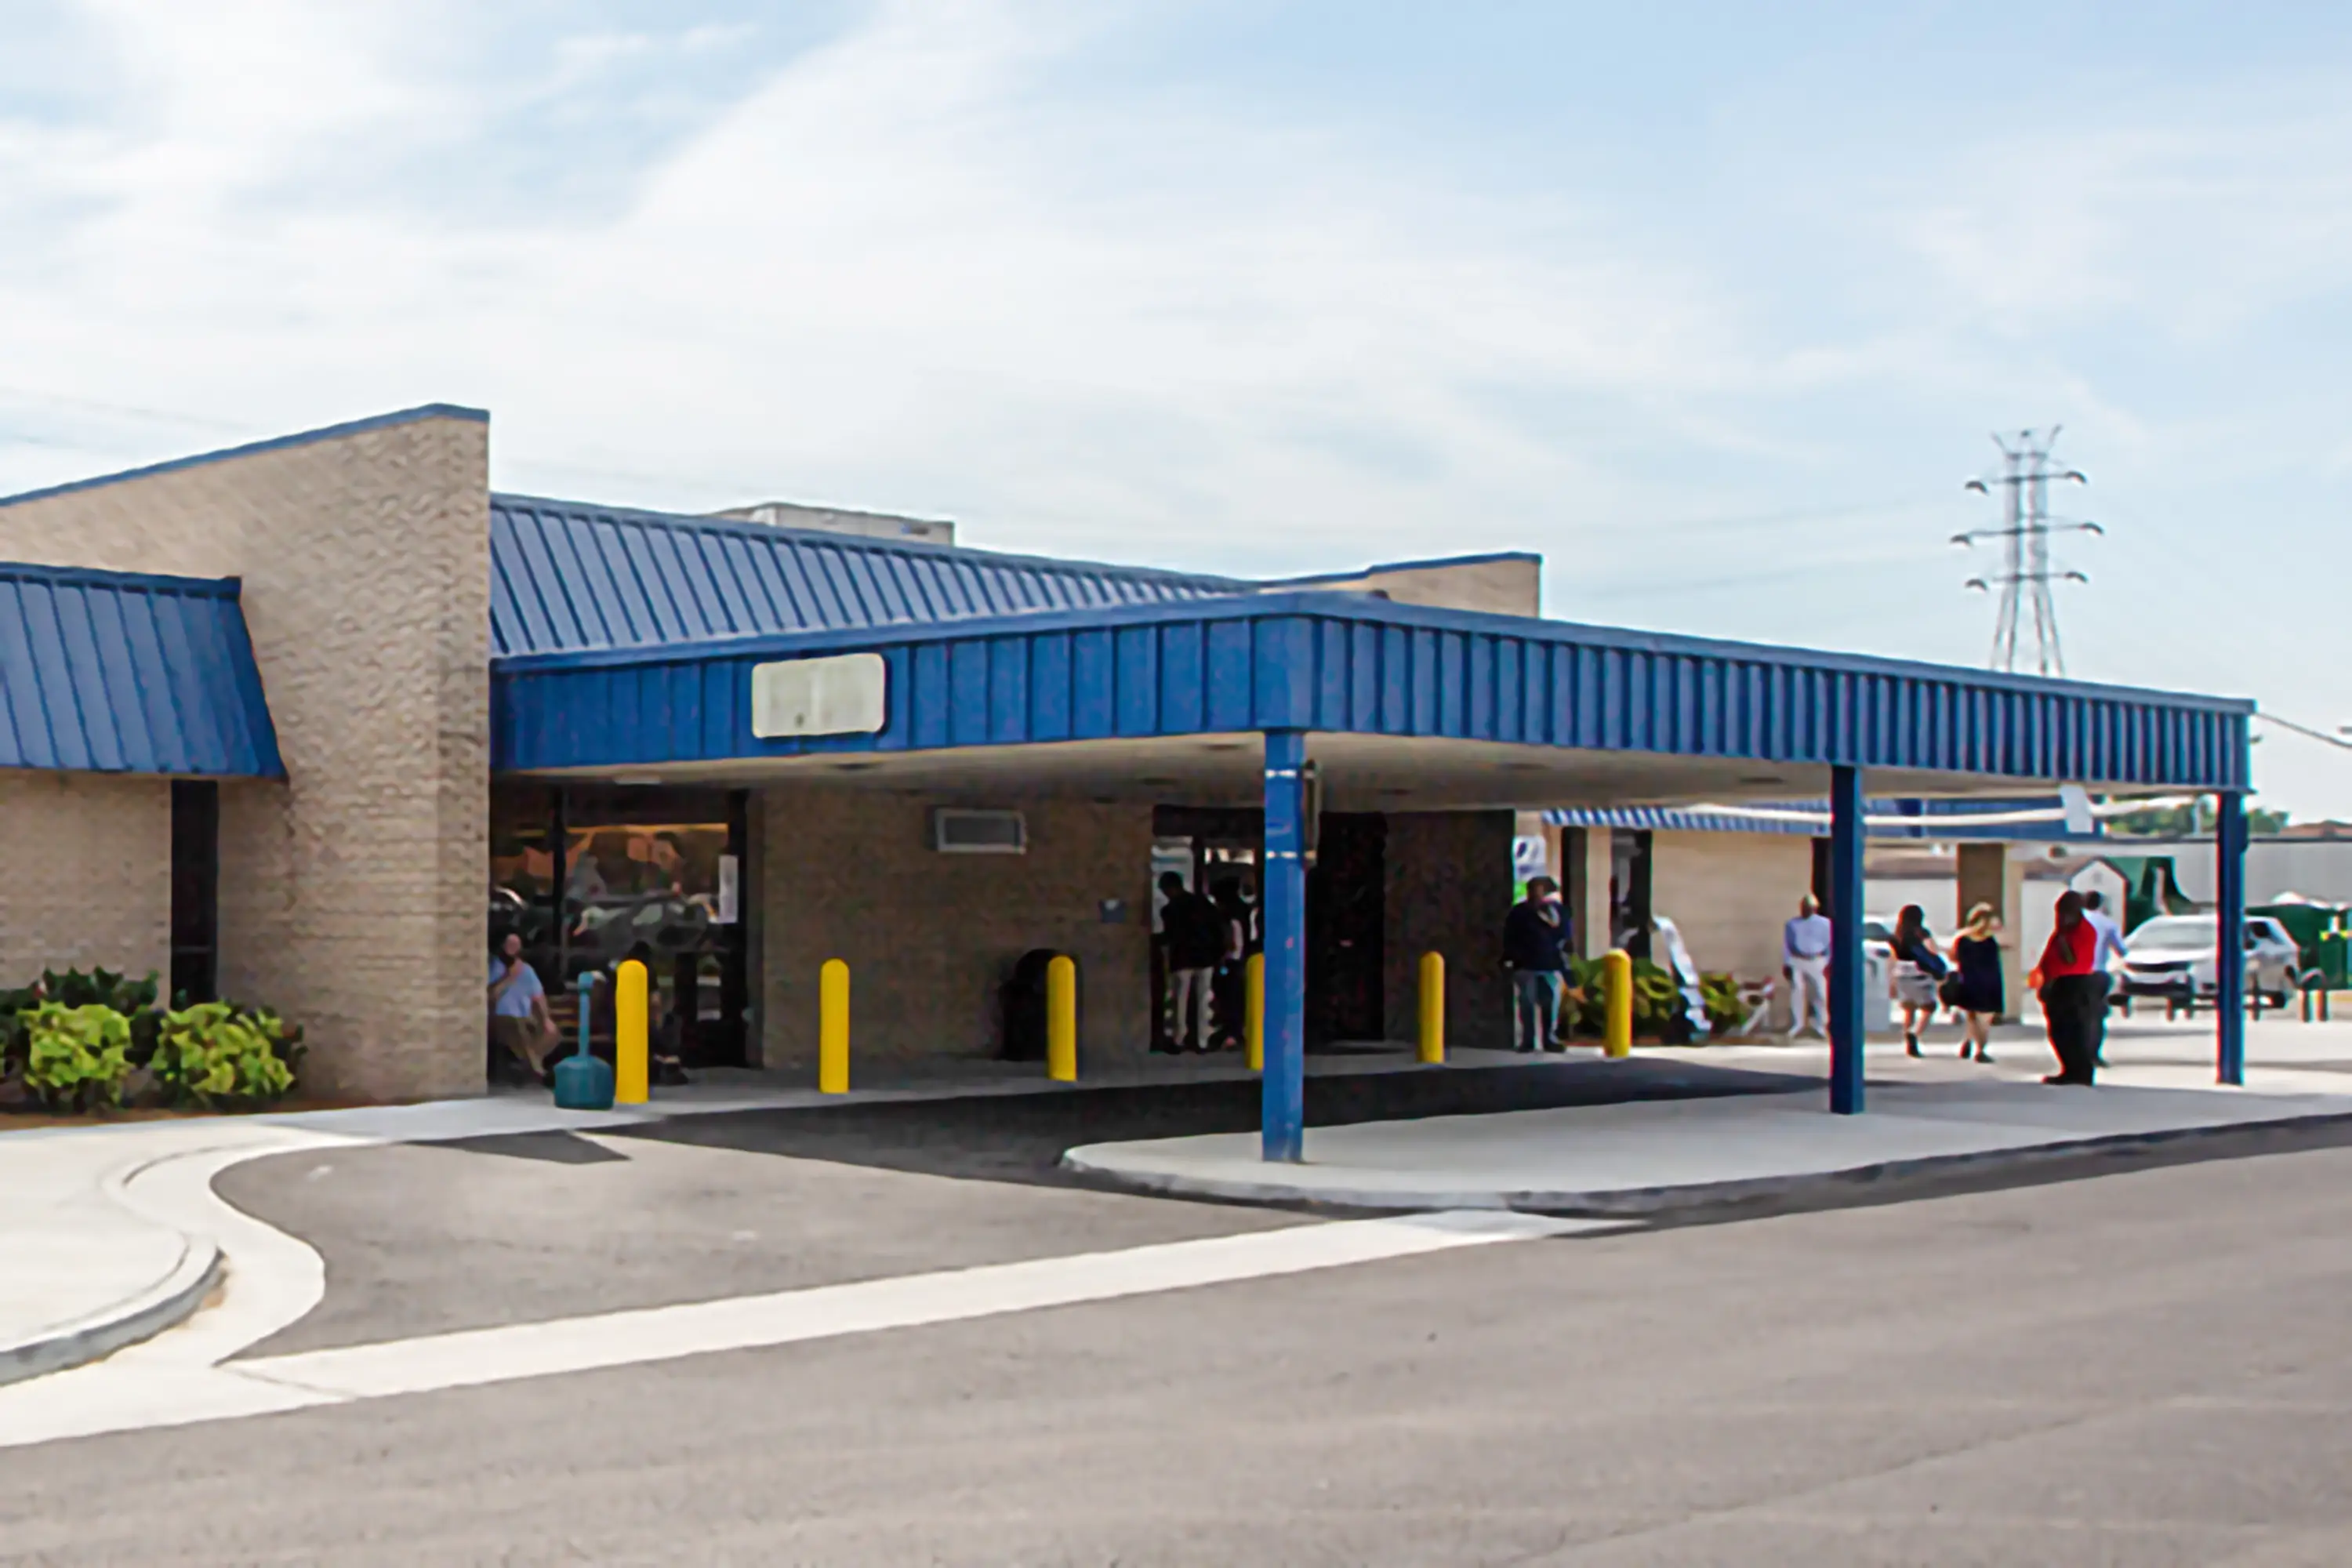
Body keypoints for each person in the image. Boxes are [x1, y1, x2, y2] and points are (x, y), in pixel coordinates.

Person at [2034, 891, 2103, 1085]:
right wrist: (2044, 980)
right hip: (2057, 985)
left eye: (2064, 913)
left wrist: (2063, 939)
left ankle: (2080, 1071)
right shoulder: (2062, 932)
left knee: (2074, 1030)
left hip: (2075, 983)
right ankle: (2069, 1068)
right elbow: (2049, 958)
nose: (2060, 918)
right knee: (2058, 1031)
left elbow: (2072, 960)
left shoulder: (2084, 931)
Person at [1502, 876, 1573, 1051]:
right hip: (1526, 965)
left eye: (1541, 890)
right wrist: (1511, 958)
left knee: (1550, 1004)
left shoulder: (1557, 911)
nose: (1536, 894)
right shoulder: (1520, 912)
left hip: (1550, 965)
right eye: (1533, 890)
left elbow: (1565, 936)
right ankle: (1528, 1040)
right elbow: (1510, 936)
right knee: (1527, 1003)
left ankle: (1549, 1038)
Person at [1157, 872, 1225, 1052]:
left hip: (1182, 959)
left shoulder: (1169, 910)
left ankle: (1179, 1039)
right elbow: (1218, 928)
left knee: (1179, 1000)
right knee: (1203, 1000)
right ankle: (1202, 1040)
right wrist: (1217, 953)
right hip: (1205, 958)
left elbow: (1170, 936)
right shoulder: (1203, 905)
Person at [488, 932, 557, 1084]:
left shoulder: (527, 970)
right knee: (518, 1028)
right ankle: (539, 1071)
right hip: (501, 1017)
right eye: (510, 945)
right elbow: (489, 995)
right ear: (503, 947)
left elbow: (538, 996)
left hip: (526, 1017)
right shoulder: (493, 967)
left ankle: (526, 1065)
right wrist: (509, 977)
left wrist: (546, 1019)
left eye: (516, 946)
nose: (513, 950)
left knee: (552, 1033)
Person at [619, 941, 691, 1087]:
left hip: (619, 1022)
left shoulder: (621, 971)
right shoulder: (645, 972)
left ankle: (665, 1062)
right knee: (665, 1028)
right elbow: (655, 1004)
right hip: (637, 1024)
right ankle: (667, 1063)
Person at [1889, 904, 1947, 1058]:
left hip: (1901, 973)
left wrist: (1892, 981)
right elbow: (1932, 950)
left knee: (1909, 1008)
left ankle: (1908, 1037)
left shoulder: (1896, 936)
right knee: (1929, 1007)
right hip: (1920, 974)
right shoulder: (1921, 933)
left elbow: (1892, 959)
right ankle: (1915, 1033)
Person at [1949, 902, 2005, 1064]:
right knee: (1985, 1019)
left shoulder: (1962, 939)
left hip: (1968, 980)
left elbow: (1954, 958)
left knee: (1972, 1016)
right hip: (1989, 982)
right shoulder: (1990, 941)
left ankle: (1969, 1041)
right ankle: (1981, 1049)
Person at [2081, 889, 2128, 1067]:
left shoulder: (2074, 922)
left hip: (2076, 974)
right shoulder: (2108, 924)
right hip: (2098, 973)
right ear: (2100, 904)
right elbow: (2122, 950)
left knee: (2077, 1014)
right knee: (2096, 1016)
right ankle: (2094, 1054)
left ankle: (2078, 1052)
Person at [1782, 894, 1832, 1040]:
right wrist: (1787, 963)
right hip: (1798, 958)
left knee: (1820, 993)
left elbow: (1829, 944)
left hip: (1817, 959)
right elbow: (1787, 945)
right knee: (1797, 991)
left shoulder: (1825, 924)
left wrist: (1828, 961)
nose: (1806, 910)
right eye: (1804, 907)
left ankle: (1821, 1025)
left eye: (1809, 908)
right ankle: (1797, 1024)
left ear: (1815, 909)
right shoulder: (1792, 924)